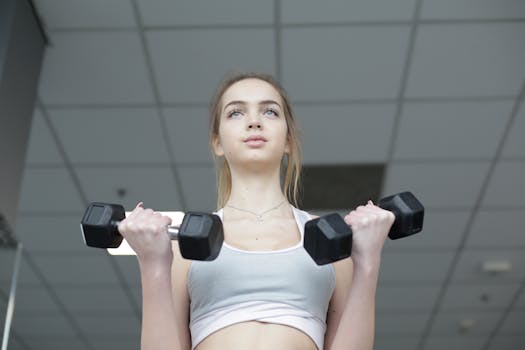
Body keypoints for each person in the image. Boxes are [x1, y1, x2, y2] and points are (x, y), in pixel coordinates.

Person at [118, 72, 395, 350]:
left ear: (288, 140)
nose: (254, 121)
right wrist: (152, 263)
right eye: (236, 113)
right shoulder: (185, 245)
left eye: (270, 112)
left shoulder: (330, 239)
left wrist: (368, 260)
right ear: (217, 142)